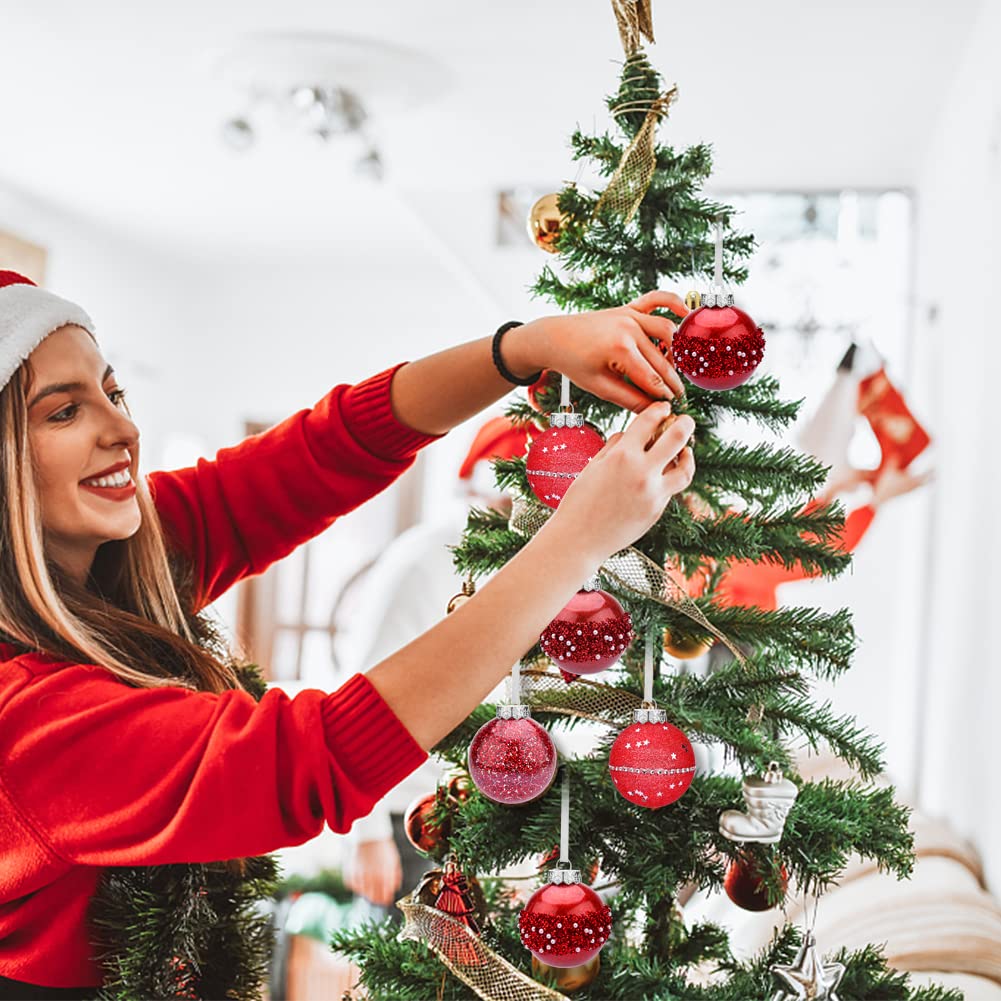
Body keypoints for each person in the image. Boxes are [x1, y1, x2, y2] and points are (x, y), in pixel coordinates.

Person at [0, 270, 695, 997]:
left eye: (114, 393)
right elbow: (314, 756)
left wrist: (526, 347)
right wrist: (575, 542)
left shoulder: (122, 554)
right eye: (63, 412)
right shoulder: (26, 720)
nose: (124, 430)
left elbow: (327, 451)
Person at [337, 416, 535, 923]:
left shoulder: (523, 570)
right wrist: (366, 834)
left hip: (481, 814)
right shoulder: (429, 556)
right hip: (410, 818)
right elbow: (360, 690)